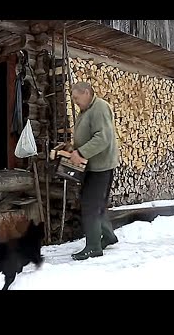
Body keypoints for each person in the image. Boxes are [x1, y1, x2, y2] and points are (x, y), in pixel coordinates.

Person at [68, 81, 120, 261]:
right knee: (94, 202)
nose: (75, 102)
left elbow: (102, 138)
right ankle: (108, 236)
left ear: (87, 93)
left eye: (76, 98)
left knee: (91, 205)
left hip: (101, 167)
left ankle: (93, 247)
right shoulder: (87, 110)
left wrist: (81, 152)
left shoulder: (100, 108)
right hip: (92, 166)